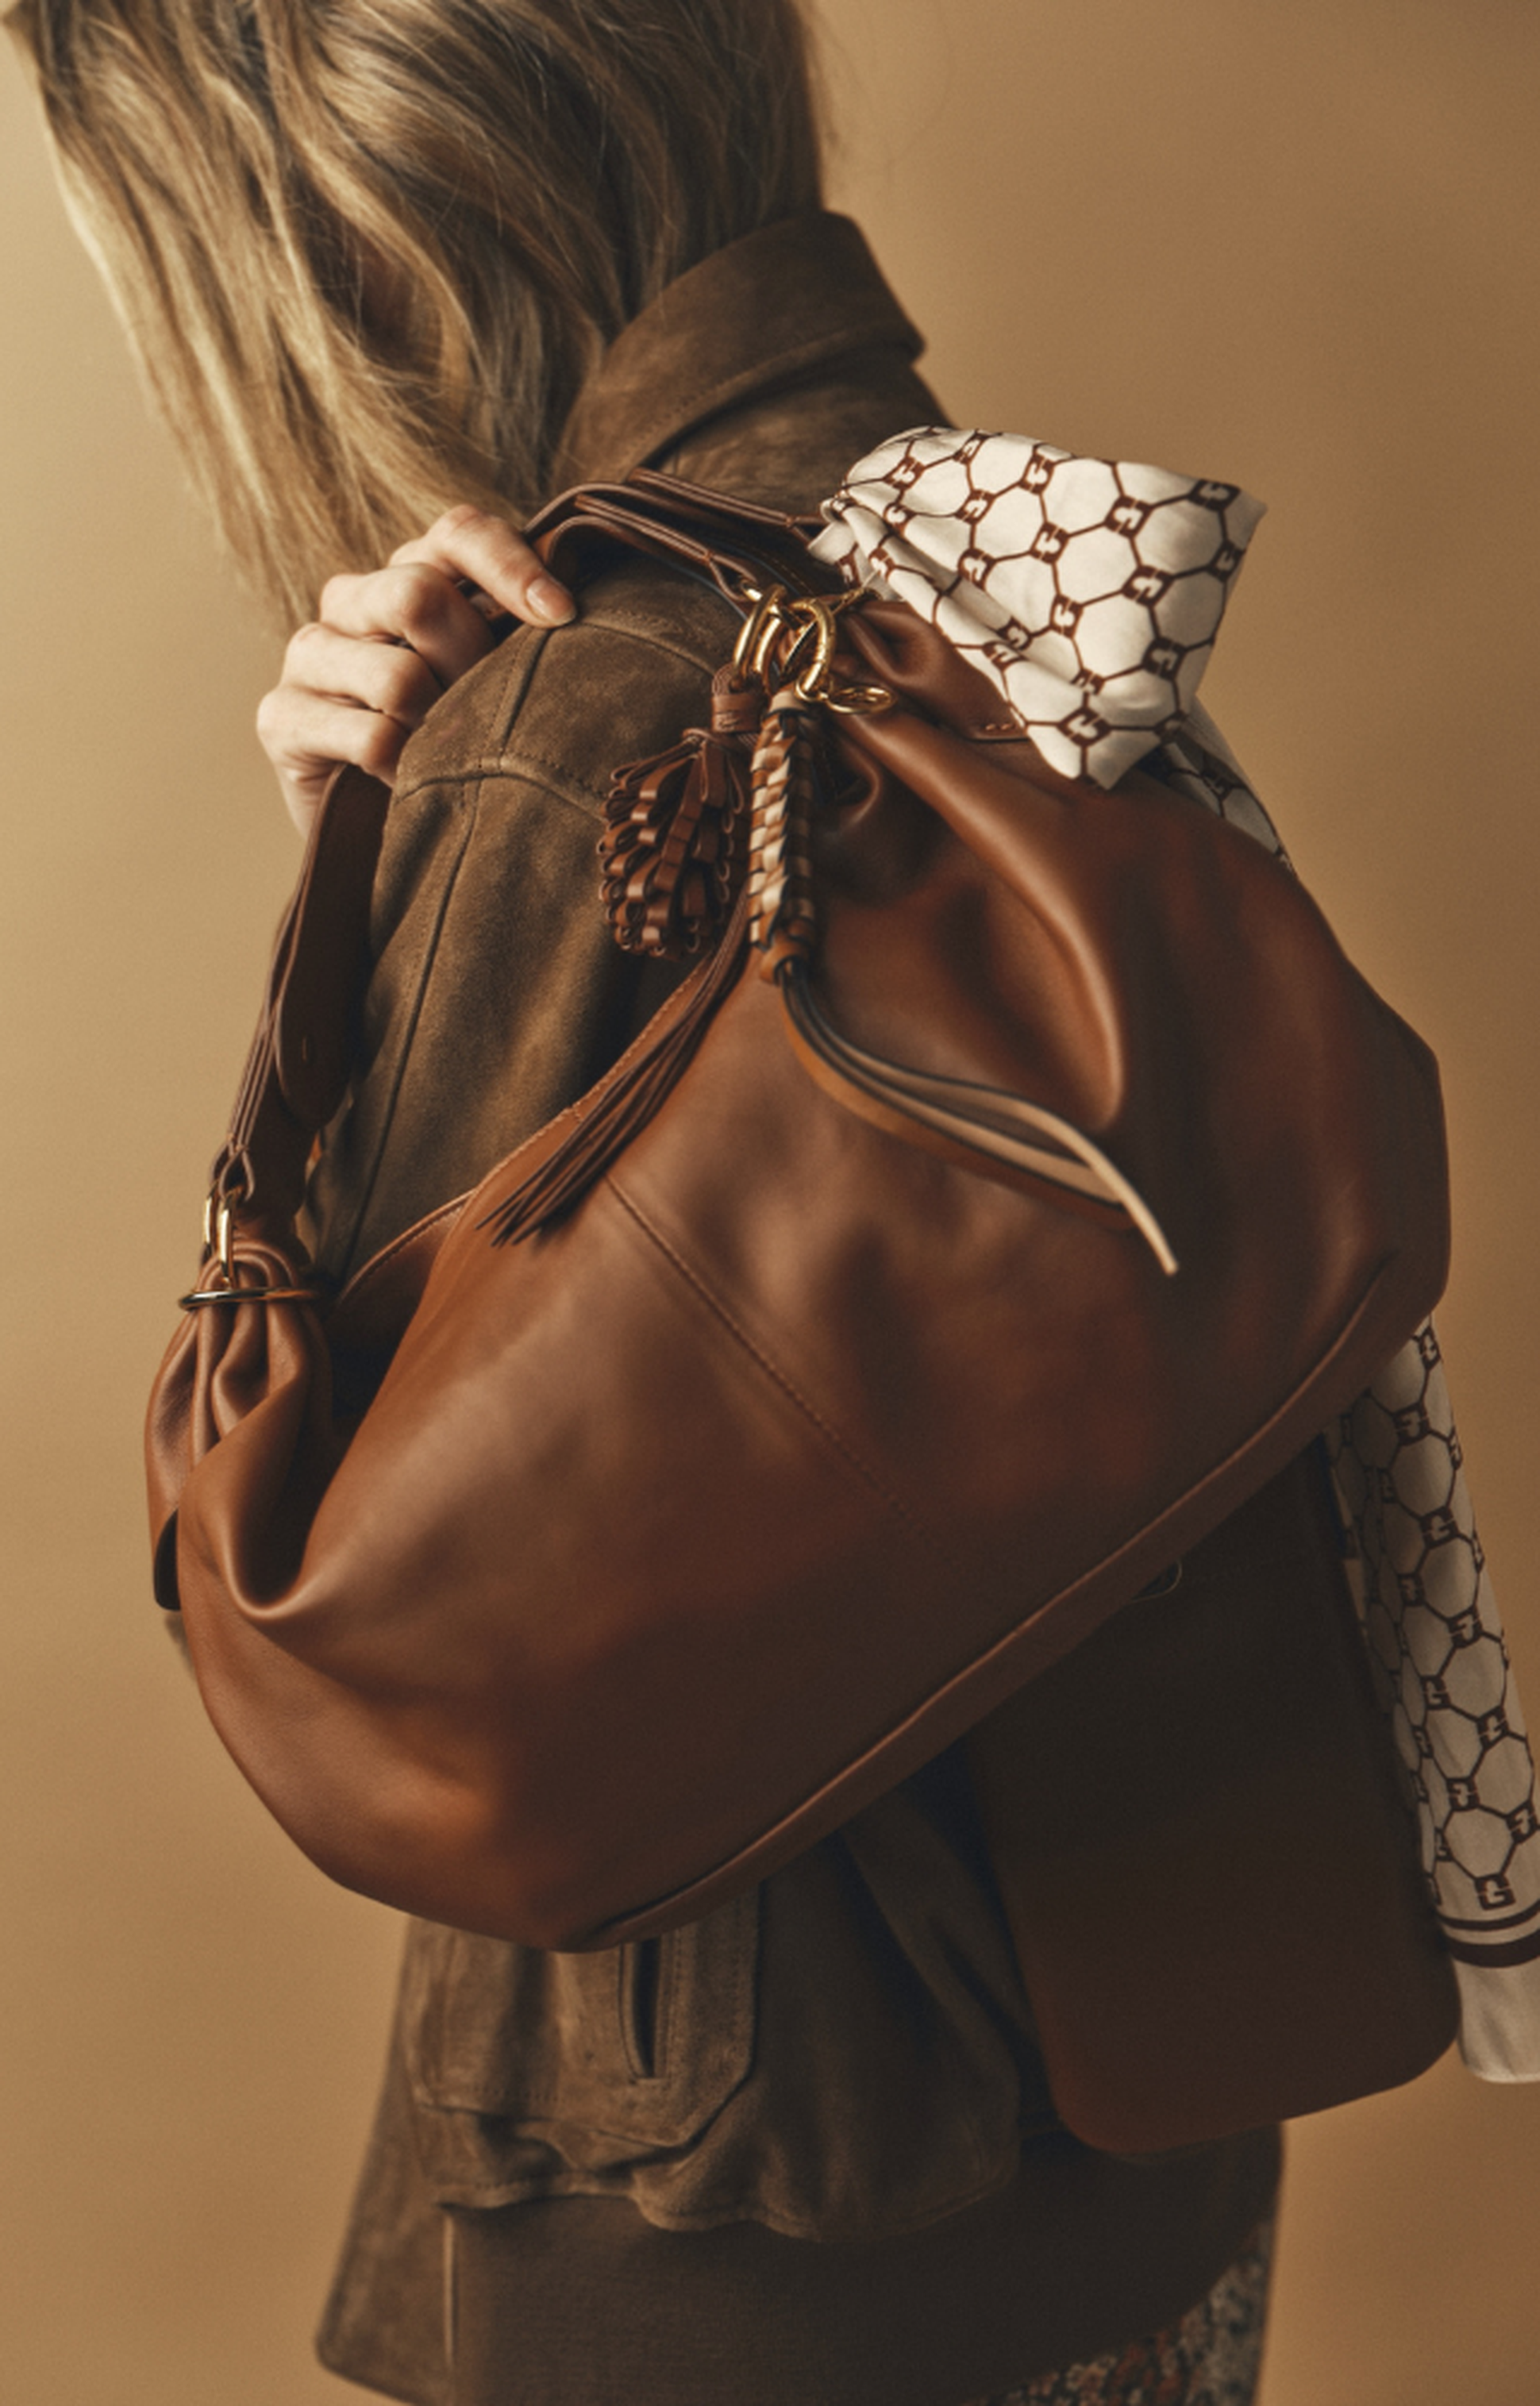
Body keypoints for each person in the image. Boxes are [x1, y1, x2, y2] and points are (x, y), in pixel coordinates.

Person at [11, 2, 1288, 2400]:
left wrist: (391, 910)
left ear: (347, 221)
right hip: (1125, 2100)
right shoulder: (980, 553)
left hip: (753, 2202)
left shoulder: (579, 704)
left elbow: (335, 1609)